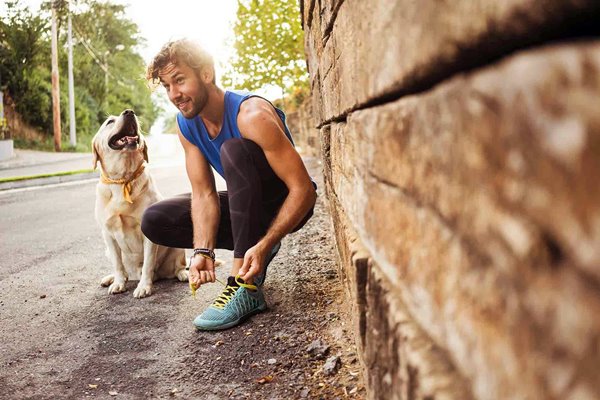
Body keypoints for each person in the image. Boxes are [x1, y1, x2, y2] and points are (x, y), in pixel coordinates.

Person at [142, 39, 317, 331]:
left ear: (206, 73)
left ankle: (243, 286)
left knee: (233, 150)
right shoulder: (186, 124)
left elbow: (305, 191)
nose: (174, 94)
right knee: (155, 220)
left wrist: (265, 243)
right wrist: (203, 252)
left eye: (180, 80)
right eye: (167, 86)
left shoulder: (251, 115)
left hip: (286, 204)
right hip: (247, 205)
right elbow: (203, 194)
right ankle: (250, 248)